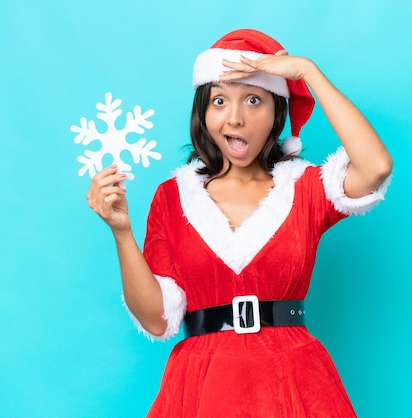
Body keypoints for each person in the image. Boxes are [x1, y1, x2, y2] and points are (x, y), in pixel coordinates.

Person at [86, 28, 392, 417]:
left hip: (292, 377)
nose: (235, 117)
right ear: (204, 112)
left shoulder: (307, 189)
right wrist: (122, 232)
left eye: (253, 100)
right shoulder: (172, 196)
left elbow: (376, 166)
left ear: (277, 112)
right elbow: (156, 319)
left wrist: (308, 73)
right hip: (202, 382)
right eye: (219, 100)